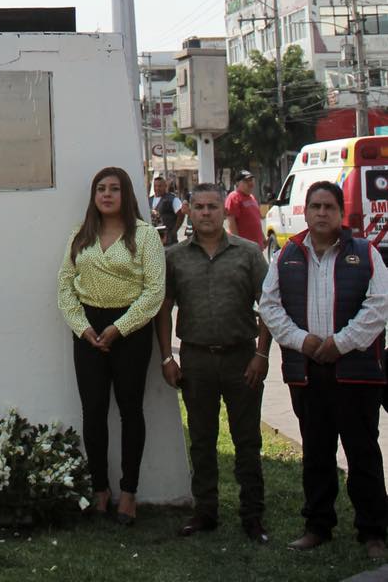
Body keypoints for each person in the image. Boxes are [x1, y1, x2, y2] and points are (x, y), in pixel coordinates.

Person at [259, 179, 388, 562]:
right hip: (307, 371)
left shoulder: (365, 253)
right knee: (316, 452)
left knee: (362, 452)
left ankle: (374, 532)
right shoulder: (288, 254)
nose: (321, 213)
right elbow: (269, 306)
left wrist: (340, 343)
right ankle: (318, 526)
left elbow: (379, 306)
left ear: (339, 212)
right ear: (305, 211)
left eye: (328, 207)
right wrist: (303, 341)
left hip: (356, 372)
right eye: (314, 206)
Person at [155, 183, 271, 543]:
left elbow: (269, 307)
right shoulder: (174, 257)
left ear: (224, 210)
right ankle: (205, 512)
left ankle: (252, 516)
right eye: (200, 207)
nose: (206, 213)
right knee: (203, 440)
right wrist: (166, 356)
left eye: (213, 207)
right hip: (196, 360)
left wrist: (262, 354)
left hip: (241, 358)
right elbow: (163, 309)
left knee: (247, 441)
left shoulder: (249, 253)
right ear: (188, 210)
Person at [58, 166, 165, 525]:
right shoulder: (80, 236)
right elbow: (65, 287)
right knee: (93, 412)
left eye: (114, 189)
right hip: (88, 331)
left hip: (130, 332)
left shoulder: (145, 236)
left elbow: (154, 292)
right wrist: (83, 328)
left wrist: (119, 328)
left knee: (131, 411)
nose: (106, 194)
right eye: (100, 189)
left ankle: (129, 493)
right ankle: (100, 489)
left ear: (126, 194)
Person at [224, 170, 266, 247]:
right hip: (244, 247)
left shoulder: (252, 197)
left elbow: (256, 221)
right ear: (237, 183)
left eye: (251, 180)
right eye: (246, 181)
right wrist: (237, 243)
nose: (250, 183)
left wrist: (262, 237)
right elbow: (231, 223)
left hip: (256, 246)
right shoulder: (233, 197)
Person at [149, 175, 184, 247]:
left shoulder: (172, 199)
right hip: (153, 241)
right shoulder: (149, 200)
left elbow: (181, 214)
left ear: (165, 186)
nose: (157, 188)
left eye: (160, 186)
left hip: (169, 241)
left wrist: (174, 230)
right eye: (155, 186)